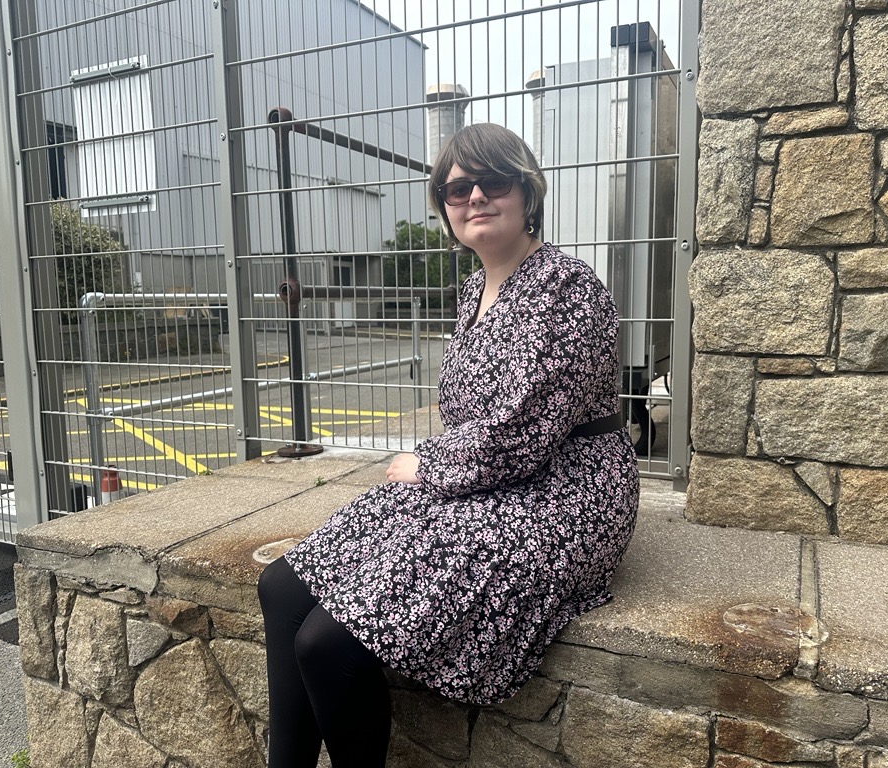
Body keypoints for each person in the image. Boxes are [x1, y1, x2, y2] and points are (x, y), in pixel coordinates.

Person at [257, 122, 640, 768]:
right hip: (487, 478)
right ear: (444, 207)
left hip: (565, 491)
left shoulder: (565, 289)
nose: (475, 197)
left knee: (327, 643)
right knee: (280, 587)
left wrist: (427, 461)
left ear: (527, 191)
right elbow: (475, 420)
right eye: (457, 189)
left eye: (493, 181)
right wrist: (436, 465)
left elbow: (519, 435)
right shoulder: (474, 291)